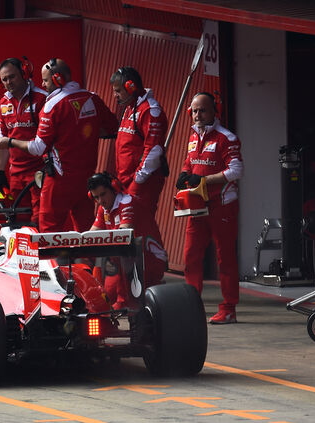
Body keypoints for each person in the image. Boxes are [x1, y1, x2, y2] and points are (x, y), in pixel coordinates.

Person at [0, 58, 117, 232]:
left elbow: (38, 147)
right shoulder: (93, 98)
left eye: (45, 80)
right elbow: (112, 128)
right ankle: (85, 260)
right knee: (85, 230)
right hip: (86, 177)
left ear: (58, 79)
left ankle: (51, 260)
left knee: (47, 229)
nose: (42, 84)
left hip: (58, 177)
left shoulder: (50, 104)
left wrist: (11, 142)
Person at [176, 92, 243, 324]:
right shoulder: (194, 134)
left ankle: (229, 309)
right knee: (190, 256)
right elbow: (191, 160)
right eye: (194, 111)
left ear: (215, 111)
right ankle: (191, 305)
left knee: (225, 259)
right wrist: (185, 173)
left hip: (222, 205)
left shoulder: (227, 138)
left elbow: (236, 171)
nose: (197, 115)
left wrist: (204, 180)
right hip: (197, 205)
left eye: (202, 110)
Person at [88, 172, 167, 310]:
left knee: (130, 303)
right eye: (96, 197)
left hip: (149, 258)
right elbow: (91, 234)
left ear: (114, 189)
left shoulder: (127, 202)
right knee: (105, 295)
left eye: (103, 194)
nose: (100, 200)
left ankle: (149, 292)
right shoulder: (103, 208)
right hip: (126, 261)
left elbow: (124, 235)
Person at [0, 57, 48, 225]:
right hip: (15, 173)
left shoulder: (42, 98)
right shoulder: (3, 103)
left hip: (40, 171)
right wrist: (0, 172)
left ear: (24, 73)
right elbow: (2, 141)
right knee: (17, 219)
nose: (8, 82)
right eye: (4, 79)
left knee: (39, 219)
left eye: (12, 76)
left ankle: (42, 252)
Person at [110, 66, 168, 214]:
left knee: (141, 223)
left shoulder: (150, 110)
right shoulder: (130, 107)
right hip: (125, 180)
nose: (115, 95)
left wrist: (138, 179)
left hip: (142, 182)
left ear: (131, 88)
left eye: (118, 91)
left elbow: (154, 149)